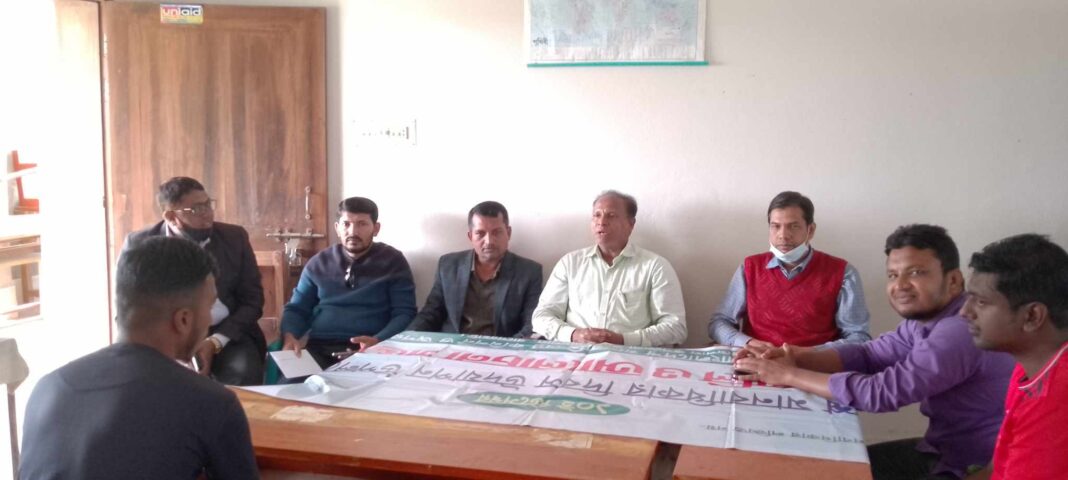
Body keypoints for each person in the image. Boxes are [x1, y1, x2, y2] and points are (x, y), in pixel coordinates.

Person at [734, 224, 1014, 479]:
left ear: (953, 281)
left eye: (916, 272)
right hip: (940, 450)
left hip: (973, 469)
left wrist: (789, 375)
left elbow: (881, 392)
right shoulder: (925, 320)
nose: (900, 285)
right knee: (828, 468)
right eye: (893, 275)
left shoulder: (959, 330)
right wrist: (795, 356)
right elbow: (870, 355)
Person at [20, 236, 258, 479]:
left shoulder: (48, 387)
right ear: (183, 320)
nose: (209, 320)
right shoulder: (210, 403)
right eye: (209, 309)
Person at [124, 176, 265, 385]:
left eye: (208, 204)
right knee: (157, 383)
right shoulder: (140, 244)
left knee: (243, 374)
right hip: (166, 334)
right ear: (171, 216)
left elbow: (253, 301)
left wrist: (215, 342)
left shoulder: (234, 237)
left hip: (227, 331)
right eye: (197, 209)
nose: (207, 213)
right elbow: (129, 307)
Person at [960, 234, 1068, 480]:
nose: (964, 312)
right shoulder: (1031, 362)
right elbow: (994, 469)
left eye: (981, 302)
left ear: (1032, 316)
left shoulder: (1056, 398)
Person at [710, 191, 871, 348]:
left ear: (810, 230)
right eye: (775, 226)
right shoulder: (750, 268)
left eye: (793, 227)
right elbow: (719, 323)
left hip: (813, 363)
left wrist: (805, 355)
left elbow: (858, 336)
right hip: (758, 359)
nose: (783, 235)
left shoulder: (842, 273)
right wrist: (748, 343)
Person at [532, 190, 686, 346]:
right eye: (597, 215)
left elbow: (675, 327)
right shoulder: (570, 263)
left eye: (611, 215)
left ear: (631, 224)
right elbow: (541, 316)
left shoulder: (655, 266)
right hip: (574, 352)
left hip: (629, 356)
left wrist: (623, 340)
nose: (602, 222)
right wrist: (574, 335)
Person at [281, 196, 416, 369]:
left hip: (373, 350)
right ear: (337, 228)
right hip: (320, 349)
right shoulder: (319, 263)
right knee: (292, 384)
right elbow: (297, 308)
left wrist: (379, 340)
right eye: (346, 224)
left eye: (362, 224)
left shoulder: (393, 261)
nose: (353, 232)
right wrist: (290, 336)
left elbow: (404, 313)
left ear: (376, 228)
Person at [408, 201, 543, 338]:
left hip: (500, 347)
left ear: (508, 233)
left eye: (497, 233)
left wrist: (506, 347)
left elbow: (532, 324)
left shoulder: (529, 272)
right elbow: (431, 313)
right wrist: (408, 337)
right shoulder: (448, 266)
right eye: (480, 233)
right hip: (452, 345)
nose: (489, 241)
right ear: (470, 236)